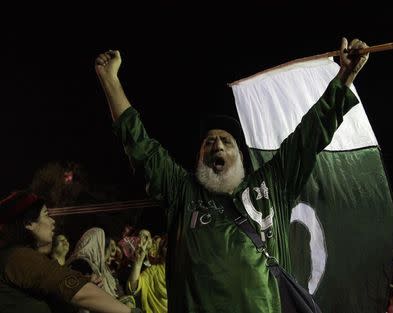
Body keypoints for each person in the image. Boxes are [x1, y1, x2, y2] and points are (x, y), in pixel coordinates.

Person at [95, 37, 369, 313]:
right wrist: (110, 80)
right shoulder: (182, 193)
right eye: (209, 142)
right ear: (199, 158)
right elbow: (139, 145)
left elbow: (310, 135)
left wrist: (345, 75)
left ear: (240, 155)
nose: (217, 144)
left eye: (226, 140)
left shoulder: (272, 184)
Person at [0, 190, 141, 313]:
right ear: (28, 223)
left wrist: (83, 283)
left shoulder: (14, 257)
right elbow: (80, 293)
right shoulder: (18, 257)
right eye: (46, 214)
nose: (52, 221)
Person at [67, 227, 119, 298]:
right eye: (110, 250)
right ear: (100, 247)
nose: (111, 255)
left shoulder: (101, 268)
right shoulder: (81, 265)